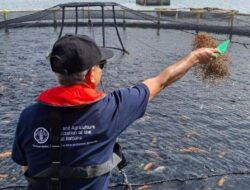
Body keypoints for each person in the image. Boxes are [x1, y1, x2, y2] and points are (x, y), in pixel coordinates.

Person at [12, 34, 220, 190]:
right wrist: (194, 57)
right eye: (101, 65)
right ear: (92, 75)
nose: (102, 68)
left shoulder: (28, 116)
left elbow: (26, 167)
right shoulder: (113, 109)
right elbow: (162, 80)